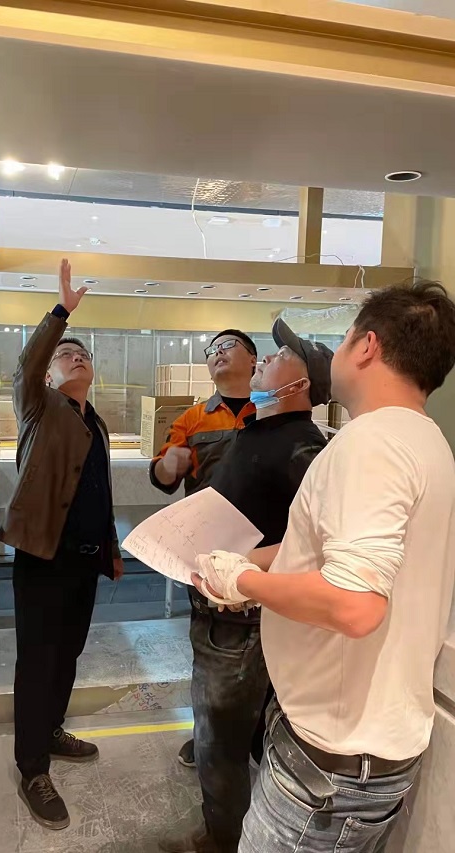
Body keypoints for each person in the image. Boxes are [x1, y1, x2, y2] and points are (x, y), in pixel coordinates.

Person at [194, 281, 455, 853]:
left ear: (367, 346)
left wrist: (243, 581)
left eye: (342, 337)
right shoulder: (425, 439)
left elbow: (356, 605)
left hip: (331, 763)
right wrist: (246, 561)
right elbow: (326, 552)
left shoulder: (371, 444)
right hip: (362, 747)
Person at [161, 320, 332, 853]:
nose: (267, 358)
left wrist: (245, 572)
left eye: (282, 355)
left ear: (298, 385)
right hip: (222, 608)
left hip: (240, 621)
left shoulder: (302, 446)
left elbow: (319, 541)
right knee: (231, 733)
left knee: (218, 741)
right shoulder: (259, 431)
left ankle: (221, 841)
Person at [0, 258, 123, 831]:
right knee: (38, 658)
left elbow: (100, 490)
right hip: (42, 556)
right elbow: (27, 363)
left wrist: (111, 548)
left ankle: (50, 729)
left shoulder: (95, 421)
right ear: (48, 375)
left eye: (83, 354)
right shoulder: (38, 406)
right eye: (65, 355)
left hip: (83, 560)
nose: (77, 357)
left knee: (68, 653)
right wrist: (61, 314)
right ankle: (32, 768)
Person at [151, 329, 257, 769]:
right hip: (210, 559)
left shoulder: (273, 411)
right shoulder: (193, 419)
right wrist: (167, 465)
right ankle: (208, 739)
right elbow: (163, 477)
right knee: (212, 654)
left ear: (254, 360)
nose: (217, 354)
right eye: (211, 350)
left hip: (267, 553)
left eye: (227, 346)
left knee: (268, 654)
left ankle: (255, 738)